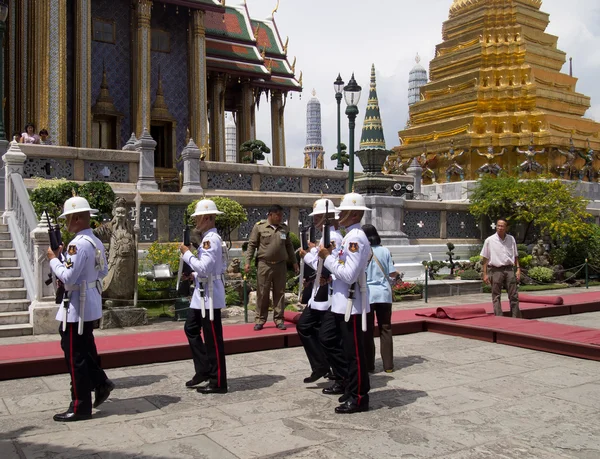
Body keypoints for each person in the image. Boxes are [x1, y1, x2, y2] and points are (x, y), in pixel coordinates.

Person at [46, 196, 113, 422]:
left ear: (75, 218)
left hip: (77, 306)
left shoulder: (78, 244)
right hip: (89, 302)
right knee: (84, 351)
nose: (66, 223)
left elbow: (67, 275)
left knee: (75, 356)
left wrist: (53, 259)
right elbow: (101, 272)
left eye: (67, 218)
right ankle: (101, 383)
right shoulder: (95, 241)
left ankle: (80, 405)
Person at [318, 192, 371, 414]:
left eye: (344, 210)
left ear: (355, 214)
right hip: (344, 303)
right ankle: (351, 390)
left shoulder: (355, 238)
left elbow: (348, 274)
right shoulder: (350, 236)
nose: (339, 214)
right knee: (348, 352)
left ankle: (359, 397)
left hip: (353, 305)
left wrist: (326, 257)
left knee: (355, 355)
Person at [180, 199, 228, 394]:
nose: (196, 221)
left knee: (213, 339)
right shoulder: (208, 238)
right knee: (191, 328)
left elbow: (205, 268)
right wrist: (192, 274)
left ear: (208, 218)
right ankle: (203, 369)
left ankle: (218, 381)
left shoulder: (210, 240)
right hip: (202, 294)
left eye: (199, 217)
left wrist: (186, 254)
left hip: (209, 295)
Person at [297, 198, 344, 384]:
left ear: (327, 217)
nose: (315, 220)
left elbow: (324, 265)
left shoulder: (334, 238)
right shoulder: (325, 237)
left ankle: (333, 369)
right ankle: (322, 365)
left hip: (328, 291)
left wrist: (306, 256)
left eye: (318, 216)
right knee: (306, 327)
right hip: (319, 291)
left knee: (326, 334)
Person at [244, 205, 299, 331]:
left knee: (279, 293)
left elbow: (289, 246)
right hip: (265, 264)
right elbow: (252, 245)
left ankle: (279, 319)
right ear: (270, 215)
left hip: (280, 265)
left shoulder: (284, 229)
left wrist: (294, 262)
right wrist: (247, 262)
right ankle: (260, 320)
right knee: (262, 293)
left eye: (281, 215)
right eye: (278, 215)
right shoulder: (260, 227)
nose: (280, 218)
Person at [362, 224, 399, 374]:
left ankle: (369, 365)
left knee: (368, 331)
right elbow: (391, 273)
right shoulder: (385, 251)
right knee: (386, 328)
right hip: (384, 293)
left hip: (368, 295)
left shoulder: (362, 252)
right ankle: (388, 365)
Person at [94, 197, 137, 304]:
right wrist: (102, 251)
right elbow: (94, 234)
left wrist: (137, 232)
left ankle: (126, 298)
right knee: (114, 278)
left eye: (123, 212)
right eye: (118, 212)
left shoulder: (130, 228)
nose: (120, 215)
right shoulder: (109, 228)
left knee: (127, 279)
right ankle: (112, 298)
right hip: (114, 260)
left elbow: (135, 241)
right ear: (114, 213)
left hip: (129, 261)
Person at [481, 219, 521, 317]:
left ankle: (516, 316)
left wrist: (518, 269)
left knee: (513, 295)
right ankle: (499, 317)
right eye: (498, 226)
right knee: (496, 295)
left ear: (506, 227)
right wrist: (485, 274)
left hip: (509, 269)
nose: (500, 228)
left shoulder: (511, 239)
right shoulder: (489, 240)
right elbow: (485, 258)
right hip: (496, 270)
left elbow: (515, 256)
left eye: (502, 226)